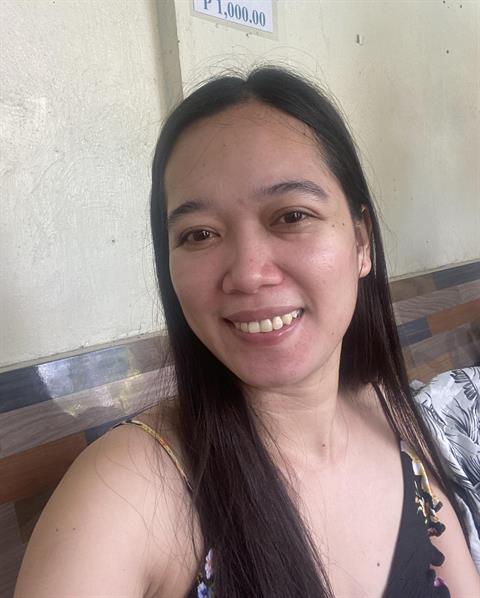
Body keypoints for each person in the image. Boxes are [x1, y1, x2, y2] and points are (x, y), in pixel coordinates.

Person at [14, 67, 480, 598]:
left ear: (361, 242)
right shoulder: (126, 492)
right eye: (199, 234)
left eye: (292, 216)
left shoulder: (392, 418)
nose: (248, 273)